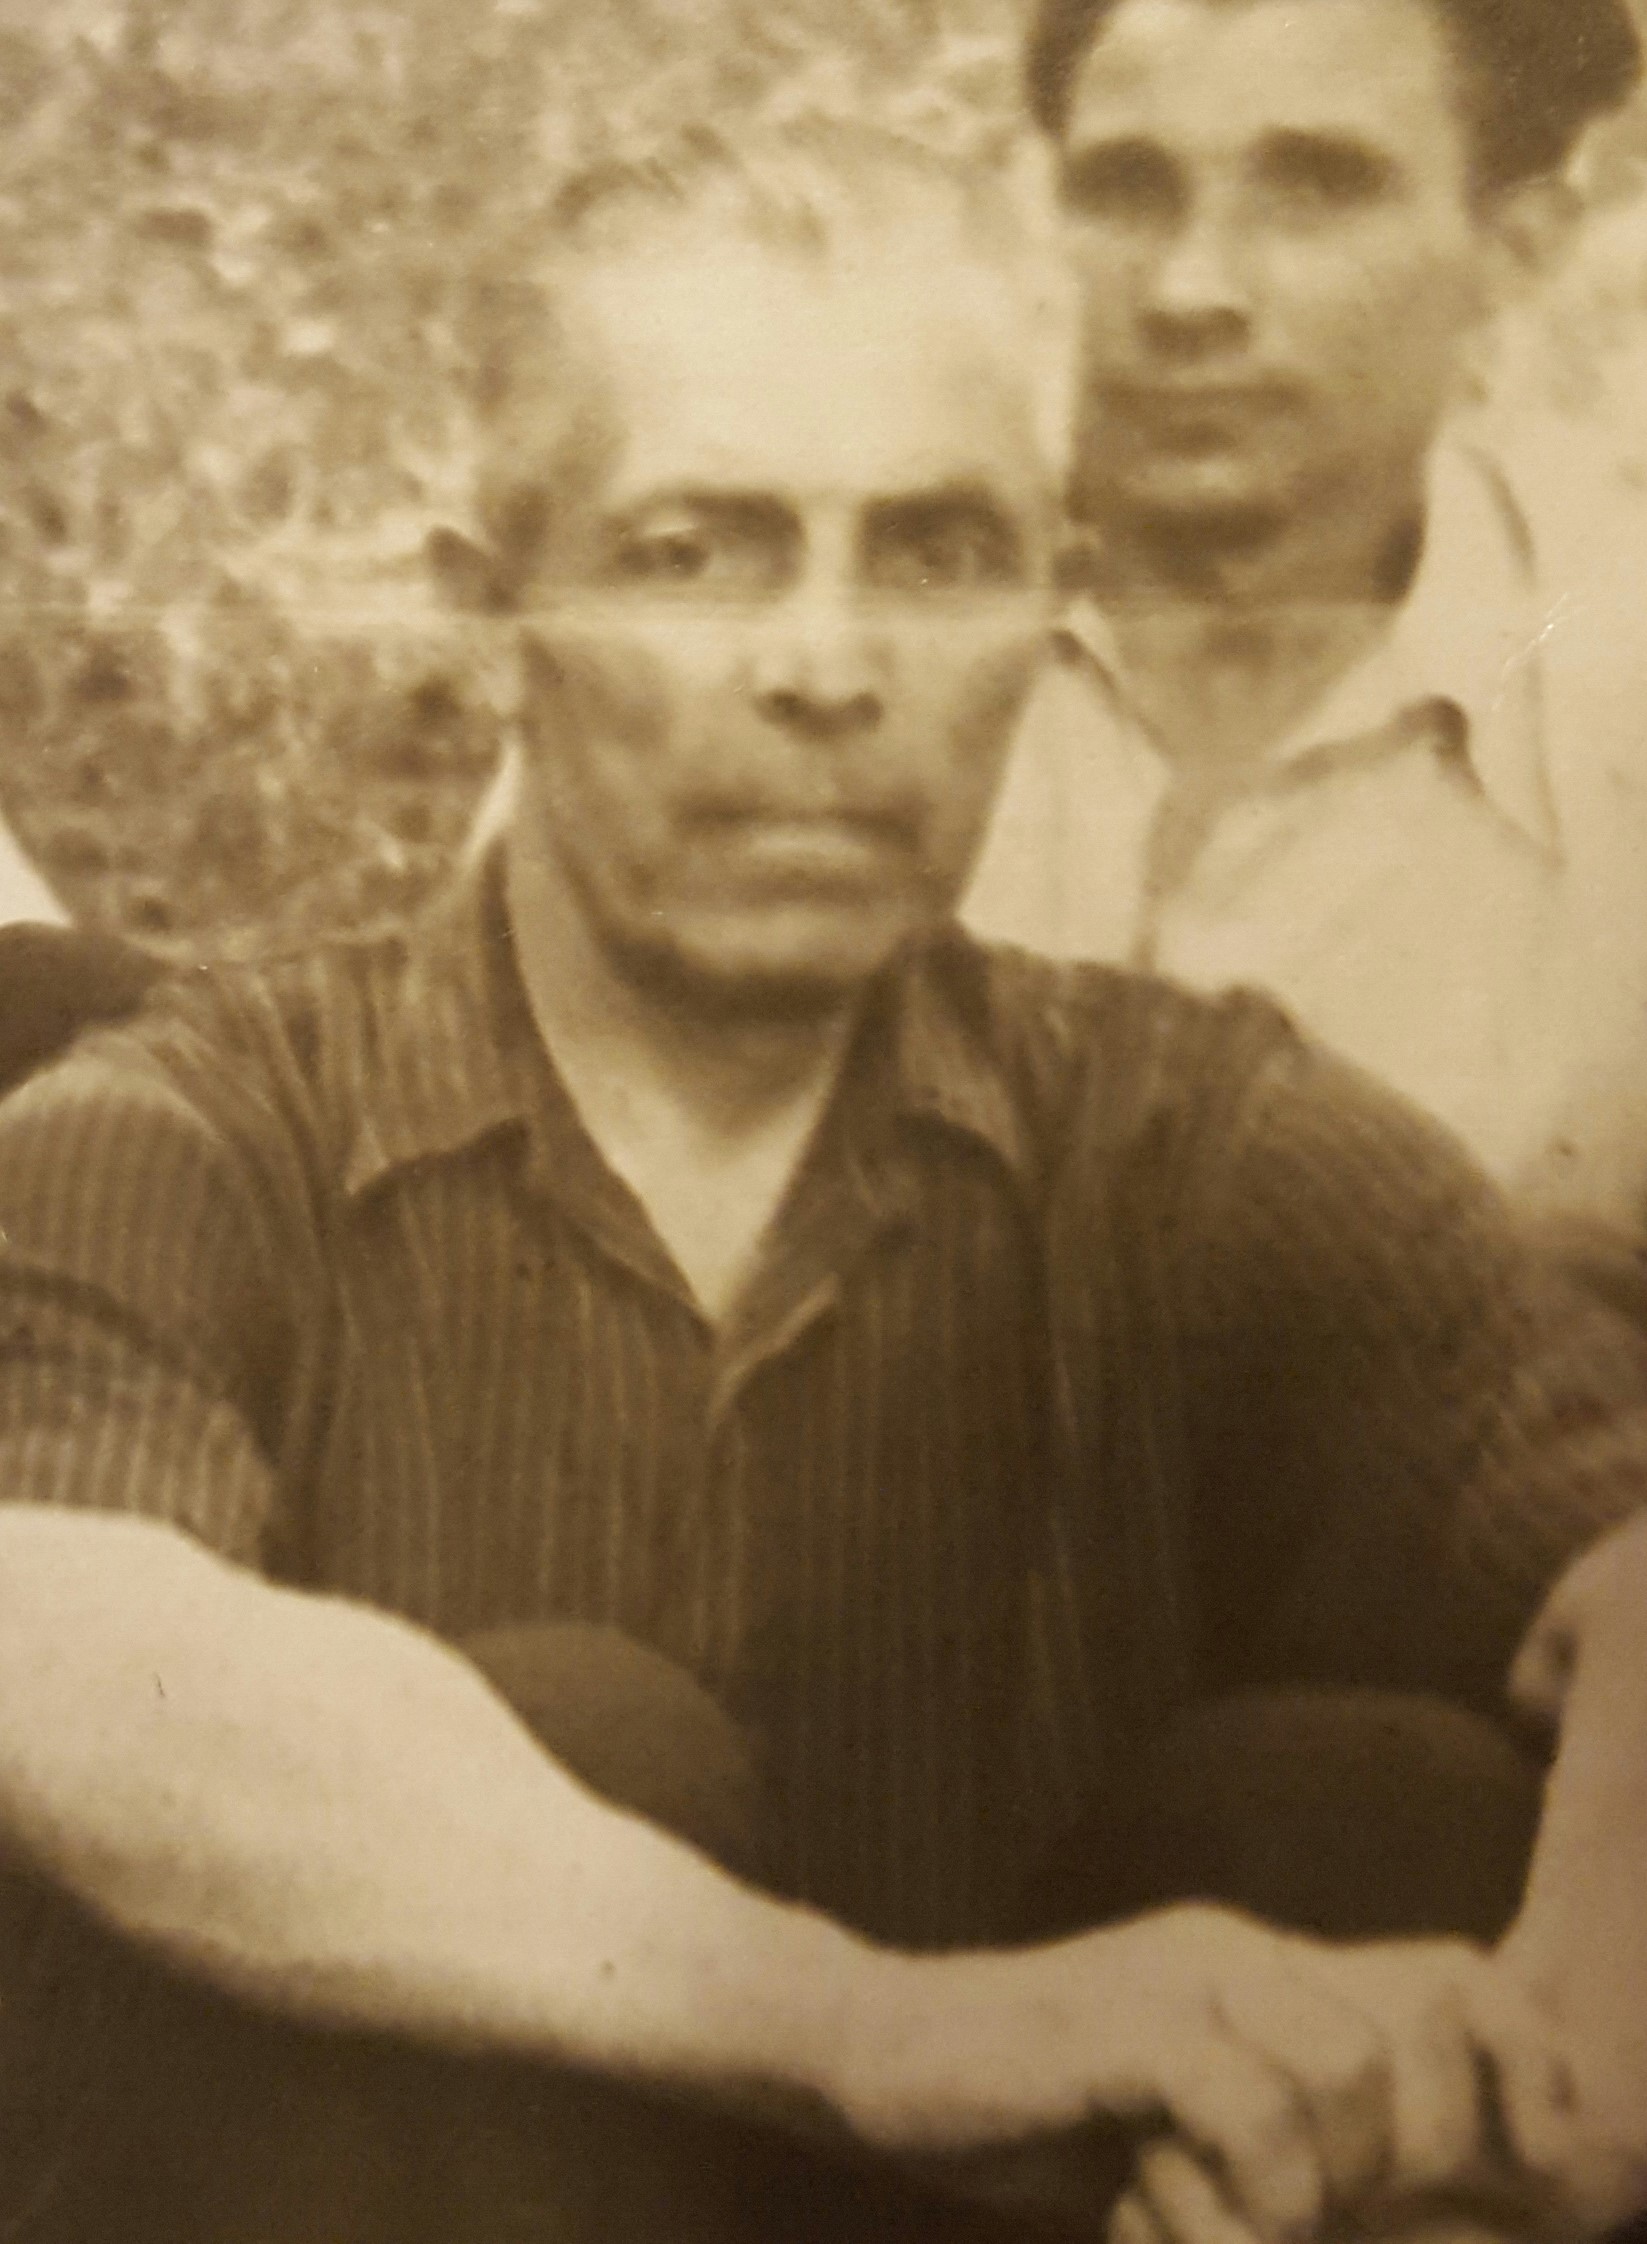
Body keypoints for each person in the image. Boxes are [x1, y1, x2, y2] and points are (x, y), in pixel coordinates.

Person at [0, 117, 1643, 2244]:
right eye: (695, 552)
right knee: (575, 1737)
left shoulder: (1197, 1147)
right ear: (490, 615)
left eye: (938, 555)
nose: (827, 668)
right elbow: (67, 1648)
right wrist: (859, 2024)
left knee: (1367, 1807)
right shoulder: (192, 1137)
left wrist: (1581, 2039)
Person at [962, 0, 1647, 1250]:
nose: (1189, 290)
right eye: (1126, 190)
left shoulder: (1617, 737)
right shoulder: (839, 649)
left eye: (1316, 191)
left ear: (1516, 250)